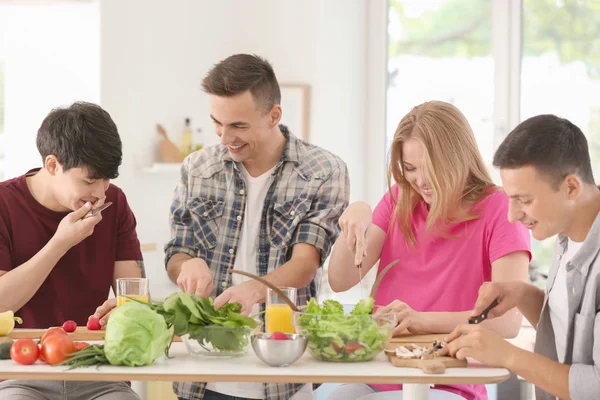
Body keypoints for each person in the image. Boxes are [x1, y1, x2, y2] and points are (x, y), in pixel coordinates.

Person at [165, 54, 349, 400]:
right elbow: (177, 250)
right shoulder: (198, 169)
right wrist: (186, 264)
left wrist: (252, 291)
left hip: (284, 374)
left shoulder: (323, 171)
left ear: (273, 115)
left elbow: (305, 265)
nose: (224, 137)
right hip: (203, 372)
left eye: (238, 126)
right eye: (217, 123)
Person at [326, 101, 531, 400]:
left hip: (448, 379)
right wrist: (357, 212)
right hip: (381, 371)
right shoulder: (400, 198)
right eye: (410, 168)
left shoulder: (499, 208)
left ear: (458, 159)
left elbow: (508, 322)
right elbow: (340, 280)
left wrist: (422, 319)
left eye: (430, 169)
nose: (419, 181)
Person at [444, 114, 600, 400]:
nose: (512, 215)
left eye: (525, 200)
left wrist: (507, 356)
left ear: (571, 188)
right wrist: (523, 295)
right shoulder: (568, 237)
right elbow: (574, 337)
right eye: (510, 198)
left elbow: (596, 385)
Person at [0, 102, 144, 399]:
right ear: (53, 165)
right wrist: (60, 243)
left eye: (107, 180)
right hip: (20, 372)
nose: (101, 193)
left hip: (99, 370)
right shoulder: (4, 204)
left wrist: (125, 309)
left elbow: (135, 296)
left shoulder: (115, 203)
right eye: (90, 181)